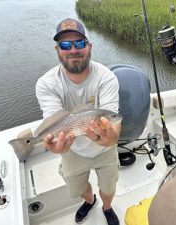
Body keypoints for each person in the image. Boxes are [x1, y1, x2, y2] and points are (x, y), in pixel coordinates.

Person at [35, 18, 121, 225]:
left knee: (109, 187)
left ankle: (107, 207)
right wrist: (57, 146)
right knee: (77, 187)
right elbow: (55, 121)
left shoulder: (107, 77)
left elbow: (114, 122)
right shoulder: (46, 84)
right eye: (65, 45)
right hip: (72, 150)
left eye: (80, 43)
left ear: (89, 46)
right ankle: (90, 202)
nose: (73, 49)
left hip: (104, 151)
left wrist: (111, 139)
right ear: (57, 49)